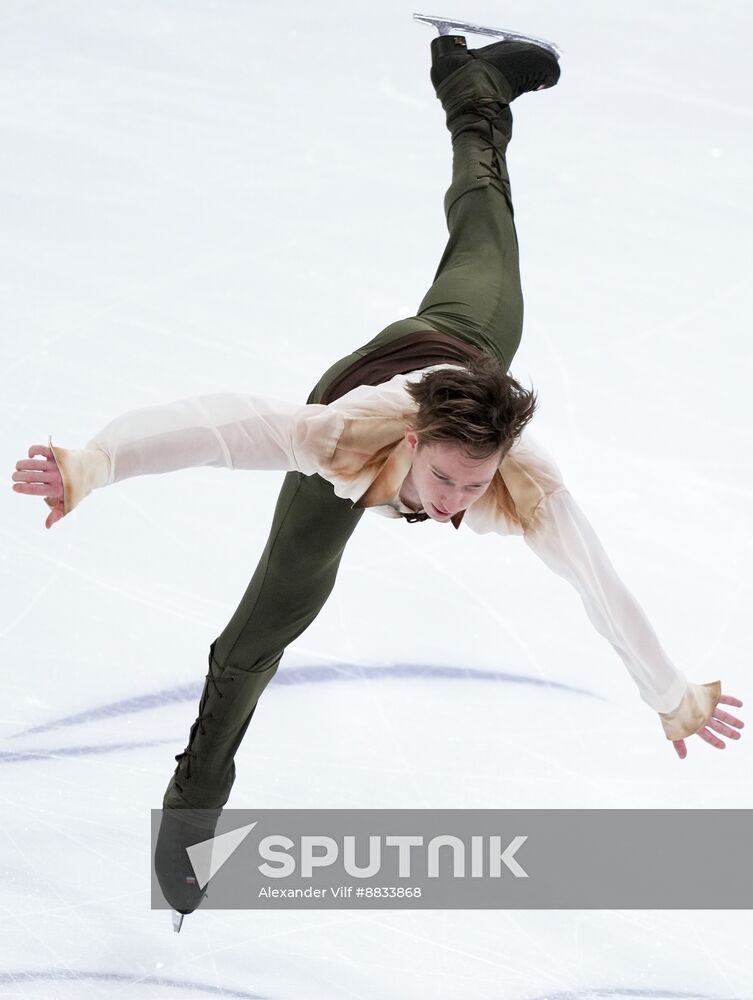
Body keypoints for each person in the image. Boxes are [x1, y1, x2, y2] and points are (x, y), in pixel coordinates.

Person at [11, 36, 744, 918]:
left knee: (485, 216)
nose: (454, 504)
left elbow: (597, 582)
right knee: (257, 636)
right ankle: (190, 823)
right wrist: (96, 462)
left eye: (475, 488)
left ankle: (473, 88)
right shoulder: (343, 437)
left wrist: (668, 695)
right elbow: (212, 427)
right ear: (415, 441)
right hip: (378, 385)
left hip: (462, 336)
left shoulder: (520, 479)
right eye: (445, 479)